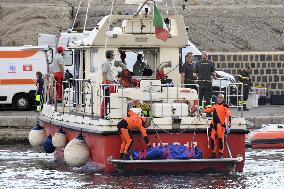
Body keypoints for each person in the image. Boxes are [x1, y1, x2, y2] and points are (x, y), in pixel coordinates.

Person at [200, 94, 231, 158]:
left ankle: (220, 154)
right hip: (214, 126)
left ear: (223, 99)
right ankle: (213, 154)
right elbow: (208, 110)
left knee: (220, 140)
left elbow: (228, 116)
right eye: (218, 97)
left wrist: (228, 126)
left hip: (221, 126)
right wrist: (201, 110)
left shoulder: (226, 106)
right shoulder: (215, 106)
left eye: (221, 97)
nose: (219, 99)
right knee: (212, 140)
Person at [101, 50, 116, 118]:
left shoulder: (109, 63)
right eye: (113, 55)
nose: (114, 56)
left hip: (110, 83)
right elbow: (104, 73)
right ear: (110, 55)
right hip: (107, 83)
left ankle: (108, 113)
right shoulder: (106, 63)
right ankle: (102, 114)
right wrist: (104, 84)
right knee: (106, 99)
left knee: (110, 98)